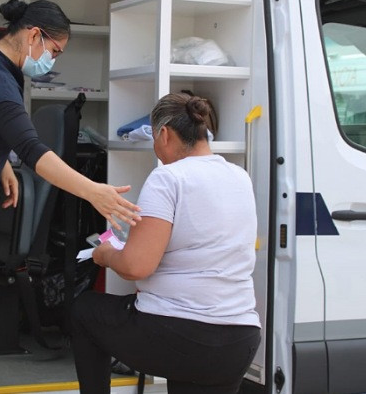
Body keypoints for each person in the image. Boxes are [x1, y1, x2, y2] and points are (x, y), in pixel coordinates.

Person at [0, 0, 141, 394]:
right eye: (55, 51)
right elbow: (32, 148)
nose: (51, 60)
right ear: (34, 35)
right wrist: (93, 191)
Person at [71, 93, 261, 394]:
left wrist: (105, 254)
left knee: (84, 310)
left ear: (163, 133)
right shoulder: (239, 176)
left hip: (179, 336)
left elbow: (136, 266)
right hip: (239, 340)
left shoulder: (168, 178)